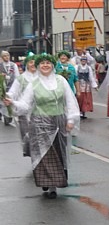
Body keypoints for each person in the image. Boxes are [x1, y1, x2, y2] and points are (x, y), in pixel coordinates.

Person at [3, 53, 80, 199]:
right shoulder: (34, 84)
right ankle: (50, 185)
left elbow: (70, 100)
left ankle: (53, 182)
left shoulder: (61, 80)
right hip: (39, 122)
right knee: (45, 153)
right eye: (42, 63)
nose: (45, 65)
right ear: (38, 66)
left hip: (58, 121)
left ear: (52, 65)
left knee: (58, 152)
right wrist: (12, 103)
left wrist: (71, 119)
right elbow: (25, 104)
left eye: (48, 63)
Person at [7, 56, 36, 155]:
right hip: (24, 113)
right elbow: (12, 92)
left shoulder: (42, 77)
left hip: (40, 112)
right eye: (31, 62)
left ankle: (40, 159)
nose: (33, 64)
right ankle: (33, 158)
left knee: (40, 138)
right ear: (27, 64)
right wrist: (7, 97)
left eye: (35, 62)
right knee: (28, 137)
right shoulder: (21, 79)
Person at [75, 55, 98, 120]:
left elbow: (91, 77)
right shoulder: (77, 67)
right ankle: (79, 111)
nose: (83, 61)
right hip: (79, 85)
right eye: (82, 60)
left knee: (85, 99)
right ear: (80, 61)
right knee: (79, 99)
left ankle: (83, 111)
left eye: (84, 60)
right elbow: (75, 76)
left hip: (86, 86)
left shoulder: (89, 68)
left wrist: (95, 86)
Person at [1, 50, 20, 126]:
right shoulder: (0, 65)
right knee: (3, 103)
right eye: (5, 56)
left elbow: (17, 76)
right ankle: (6, 116)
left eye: (8, 55)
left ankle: (10, 115)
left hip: (12, 87)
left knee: (11, 102)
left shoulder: (13, 65)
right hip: (3, 87)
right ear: (2, 57)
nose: (7, 57)